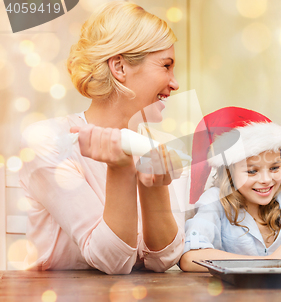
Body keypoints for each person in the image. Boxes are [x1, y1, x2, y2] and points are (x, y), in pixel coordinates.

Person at [19, 2, 186, 274]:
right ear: (119, 67)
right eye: (166, 66)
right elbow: (111, 261)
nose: (175, 83)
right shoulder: (48, 140)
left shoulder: (155, 144)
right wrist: (120, 168)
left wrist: (153, 186)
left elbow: (163, 260)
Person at [179, 107, 281, 272]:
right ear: (228, 172)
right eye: (252, 171)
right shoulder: (214, 200)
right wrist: (270, 261)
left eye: (274, 168)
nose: (266, 180)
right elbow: (190, 258)